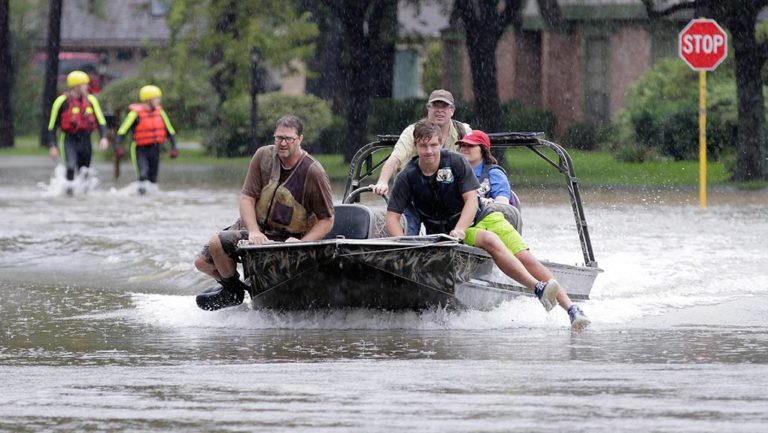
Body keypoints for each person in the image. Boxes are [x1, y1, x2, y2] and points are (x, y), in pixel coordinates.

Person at [385, 120, 590, 329]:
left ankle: (572, 308)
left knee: (526, 257)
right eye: (423, 146)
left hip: (481, 217)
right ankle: (537, 288)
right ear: (416, 146)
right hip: (446, 233)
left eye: (434, 145)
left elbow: (472, 201)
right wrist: (402, 244)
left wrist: (461, 229)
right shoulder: (407, 176)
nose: (429, 151)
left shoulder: (455, 162)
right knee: (489, 239)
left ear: (441, 144)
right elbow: (392, 216)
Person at [194, 115, 335, 311]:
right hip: (255, 227)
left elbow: (327, 220)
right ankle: (234, 290)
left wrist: (302, 243)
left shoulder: (313, 172)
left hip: (287, 236)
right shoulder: (263, 156)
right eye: (278, 138)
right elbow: (246, 198)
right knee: (203, 262)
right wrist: (253, 231)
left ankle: (246, 289)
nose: (283, 143)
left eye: (288, 139)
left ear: (300, 139)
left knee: (218, 242)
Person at [372, 89, 471, 235]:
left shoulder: (463, 131)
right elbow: (395, 158)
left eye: (444, 106)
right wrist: (382, 181)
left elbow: (476, 161)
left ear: (452, 110)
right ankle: (407, 251)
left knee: (462, 224)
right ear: (428, 109)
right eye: (435, 106)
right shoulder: (412, 133)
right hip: (414, 193)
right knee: (408, 228)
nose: (439, 110)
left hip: (449, 195)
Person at [47, 70, 109, 195]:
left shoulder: (91, 101)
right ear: (76, 86)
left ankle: (83, 199)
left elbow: (101, 121)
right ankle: (69, 195)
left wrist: (104, 138)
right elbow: (52, 126)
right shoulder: (61, 102)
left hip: (86, 140)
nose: (87, 87)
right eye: (84, 84)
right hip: (69, 140)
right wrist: (53, 146)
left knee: (84, 171)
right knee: (70, 167)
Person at [115, 85, 178, 194]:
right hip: (140, 149)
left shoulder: (161, 113)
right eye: (157, 98)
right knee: (143, 175)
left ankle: (150, 204)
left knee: (153, 179)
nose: (159, 101)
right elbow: (122, 131)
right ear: (148, 100)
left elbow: (170, 131)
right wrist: (118, 146)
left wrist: (174, 148)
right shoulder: (135, 114)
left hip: (155, 149)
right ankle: (140, 198)